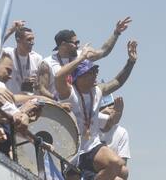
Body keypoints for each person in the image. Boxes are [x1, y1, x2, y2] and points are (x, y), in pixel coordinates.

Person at [54, 41, 137, 180]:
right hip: (72, 150)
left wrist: (131, 62)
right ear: (79, 77)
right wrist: (81, 57)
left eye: (95, 71)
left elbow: (118, 81)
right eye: (91, 72)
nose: (95, 74)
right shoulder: (69, 93)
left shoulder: (97, 91)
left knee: (118, 166)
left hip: (92, 146)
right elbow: (58, 77)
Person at [38, 17, 132, 99]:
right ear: (63, 44)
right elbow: (42, 89)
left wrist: (117, 32)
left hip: (83, 106)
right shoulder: (47, 63)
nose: (78, 45)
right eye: (75, 43)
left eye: (78, 42)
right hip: (61, 110)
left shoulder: (83, 55)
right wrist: (57, 100)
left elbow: (104, 51)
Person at [3, 27, 43, 95]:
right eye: (29, 39)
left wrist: (36, 83)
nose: (32, 43)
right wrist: (11, 30)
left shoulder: (37, 58)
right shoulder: (7, 53)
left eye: (33, 39)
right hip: (10, 100)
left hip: (28, 101)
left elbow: (41, 84)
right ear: (18, 40)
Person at [99, 96, 130, 180]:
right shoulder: (90, 127)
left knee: (123, 173)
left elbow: (122, 164)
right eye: (102, 107)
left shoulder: (121, 132)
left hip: (109, 173)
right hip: (86, 169)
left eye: (111, 106)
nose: (108, 109)